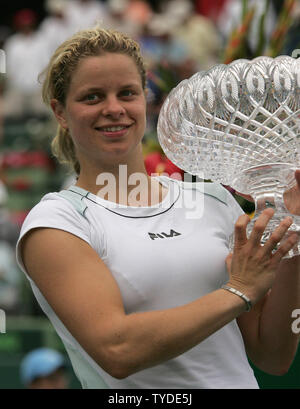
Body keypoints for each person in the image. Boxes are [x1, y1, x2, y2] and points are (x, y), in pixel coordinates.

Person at [16, 27, 300, 389]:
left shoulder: (210, 198)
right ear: (60, 112)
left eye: (127, 93)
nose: (114, 108)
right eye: (92, 97)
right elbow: (117, 350)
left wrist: (292, 235)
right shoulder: (57, 223)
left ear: (145, 98)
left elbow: (273, 357)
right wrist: (239, 291)